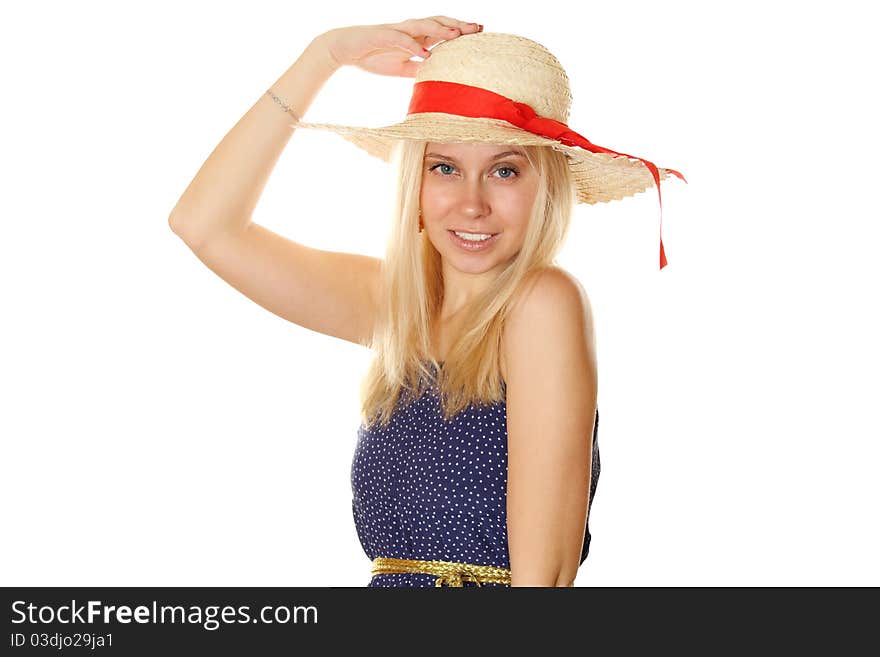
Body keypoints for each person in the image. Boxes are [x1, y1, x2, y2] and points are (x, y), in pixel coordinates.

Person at [169, 16, 685, 587]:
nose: (471, 205)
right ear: (415, 183)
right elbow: (203, 225)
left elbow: (544, 579)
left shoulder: (541, 304)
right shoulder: (397, 308)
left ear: (547, 190)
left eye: (505, 171)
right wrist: (323, 57)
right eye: (445, 168)